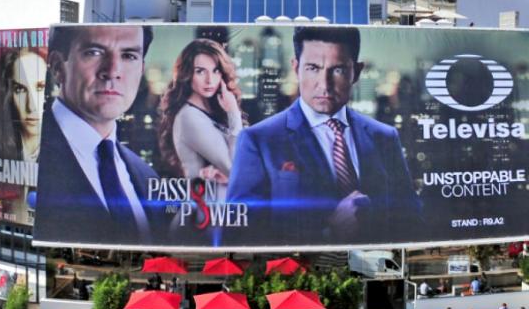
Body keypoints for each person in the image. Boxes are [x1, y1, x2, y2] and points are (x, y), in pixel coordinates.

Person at [228, 26, 422, 244]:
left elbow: (412, 219)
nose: (324, 84)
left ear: (356, 72)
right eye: (313, 68)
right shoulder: (259, 140)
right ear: (296, 67)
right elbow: (239, 232)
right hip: (297, 273)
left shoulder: (384, 137)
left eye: (337, 70)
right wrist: (329, 232)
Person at [35, 25, 169, 244]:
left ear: (141, 69)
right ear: (58, 67)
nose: (113, 70)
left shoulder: (147, 177)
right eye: (94, 52)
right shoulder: (31, 155)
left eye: (128, 55)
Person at [158, 38, 245, 205]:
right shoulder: (189, 117)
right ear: (187, 74)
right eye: (200, 71)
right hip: (202, 217)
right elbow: (236, 170)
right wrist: (234, 113)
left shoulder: (212, 111)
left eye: (216, 70)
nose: (209, 80)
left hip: (219, 213)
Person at [0, 46, 47, 218]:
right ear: (7, 95)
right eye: (20, 89)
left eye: (40, 87)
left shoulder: (67, 154)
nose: (32, 105)